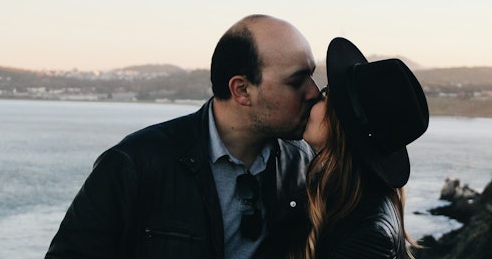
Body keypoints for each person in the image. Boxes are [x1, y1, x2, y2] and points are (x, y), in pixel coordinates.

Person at [46, 14, 319, 259]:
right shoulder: (133, 165)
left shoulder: (304, 164)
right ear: (242, 90)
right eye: (297, 82)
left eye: (311, 77)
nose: (313, 92)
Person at [261, 37, 429, 259]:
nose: (313, 98)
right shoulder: (344, 196)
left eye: (325, 94)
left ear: (340, 122)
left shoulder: (367, 235)